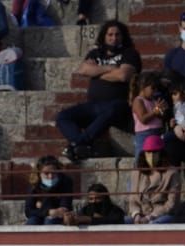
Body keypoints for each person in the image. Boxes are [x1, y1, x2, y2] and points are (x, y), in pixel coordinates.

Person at [55, 20, 140, 162]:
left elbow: (123, 76)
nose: (114, 38)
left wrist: (97, 72)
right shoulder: (96, 53)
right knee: (62, 117)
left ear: (123, 36)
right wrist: (111, 69)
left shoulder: (129, 53)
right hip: (93, 106)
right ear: (104, 36)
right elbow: (84, 70)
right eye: (110, 34)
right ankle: (81, 144)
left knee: (113, 108)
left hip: (118, 105)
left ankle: (78, 144)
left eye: (117, 35)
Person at [127, 134, 179, 223]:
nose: (151, 155)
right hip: (140, 214)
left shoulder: (172, 173)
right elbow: (132, 199)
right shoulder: (137, 172)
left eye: (154, 152)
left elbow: (171, 204)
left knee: (153, 224)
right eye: (148, 152)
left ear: (161, 153)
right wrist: (136, 215)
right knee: (124, 221)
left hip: (161, 215)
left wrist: (150, 217)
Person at [24, 154, 74, 225]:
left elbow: (65, 205)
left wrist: (43, 206)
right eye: (46, 173)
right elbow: (28, 211)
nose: (50, 176)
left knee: (50, 221)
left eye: (53, 173)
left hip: (57, 215)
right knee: (32, 222)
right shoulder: (34, 183)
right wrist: (48, 212)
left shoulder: (66, 181)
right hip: (40, 214)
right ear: (39, 173)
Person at [129, 71, 169, 155]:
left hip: (157, 132)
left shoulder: (153, 100)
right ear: (143, 87)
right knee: (142, 155)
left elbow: (159, 117)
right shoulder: (138, 101)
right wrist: (155, 111)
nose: (155, 91)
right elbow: (143, 119)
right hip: (145, 134)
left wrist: (162, 111)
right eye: (152, 88)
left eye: (156, 88)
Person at [60, 181, 126, 225]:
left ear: (105, 198)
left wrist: (89, 219)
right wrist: (68, 219)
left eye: (98, 198)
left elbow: (113, 221)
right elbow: (76, 219)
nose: (94, 201)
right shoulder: (85, 210)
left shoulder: (115, 210)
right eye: (91, 199)